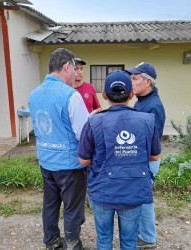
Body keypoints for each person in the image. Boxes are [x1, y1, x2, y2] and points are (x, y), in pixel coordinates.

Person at [79, 70, 161, 250]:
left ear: (104, 95)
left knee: (104, 240)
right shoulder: (147, 121)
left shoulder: (93, 122)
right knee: (130, 242)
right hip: (133, 192)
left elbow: (84, 161)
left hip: (102, 191)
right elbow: (155, 156)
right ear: (131, 94)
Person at [28, 48, 89, 250]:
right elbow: (83, 134)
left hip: (46, 160)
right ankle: (73, 244)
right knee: (72, 207)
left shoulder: (34, 94)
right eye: (74, 69)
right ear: (66, 67)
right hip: (70, 165)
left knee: (50, 204)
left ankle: (51, 242)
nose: (76, 74)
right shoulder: (71, 95)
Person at [126, 62, 166, 249]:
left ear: (148, 81)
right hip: (140, 160)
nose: (131, 82)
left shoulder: (153, 107)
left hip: (146, 161)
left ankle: (148, 238)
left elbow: (152, 143)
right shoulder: (142, 102)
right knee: (140, 199)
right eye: (131, 79)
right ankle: (144, 234)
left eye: (135, 79)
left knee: (143, 200)